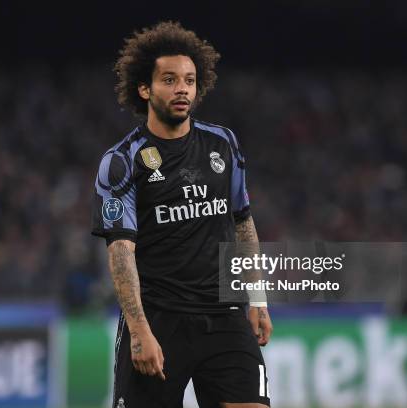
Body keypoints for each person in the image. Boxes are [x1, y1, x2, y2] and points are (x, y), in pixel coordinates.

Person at [92, 21, 272, 408]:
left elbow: (243, 221)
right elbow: (121, 251)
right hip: (159, 319)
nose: (182, 90)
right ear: (145, 88)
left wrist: (257, 299)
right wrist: (139, 330)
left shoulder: (222, 144)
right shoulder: (122, 161)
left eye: (189, 80)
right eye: (170, 80)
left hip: (224, 314)